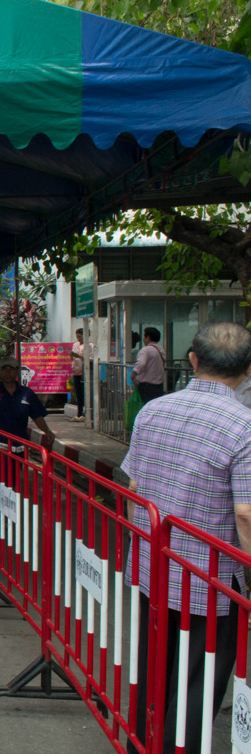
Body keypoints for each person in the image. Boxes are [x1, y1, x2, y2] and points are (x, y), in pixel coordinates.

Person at [124, 322, 251, 754]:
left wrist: (139, 548)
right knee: (200, 674)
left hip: (153, 567)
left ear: (193, 360)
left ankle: (142, 741)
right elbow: (246, 514)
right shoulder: (244, 426)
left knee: (154, 662)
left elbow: (134, 490)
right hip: (209, 580)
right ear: (247, 370)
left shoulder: (153, 411)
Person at [0, 357, 54, 456]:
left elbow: (37, 416)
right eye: (4, 369)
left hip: (20, 447)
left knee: (17, 472)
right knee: (1, 472)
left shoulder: (26, 394)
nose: (7, 372)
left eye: (11, 369)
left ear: (17, 370)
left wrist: (47, 431)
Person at [132, 326, 167, 403]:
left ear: (148, 337)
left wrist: (134, 374)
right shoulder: (161, 350)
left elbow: (141, 363)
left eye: (144, 336)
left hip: (146, 387)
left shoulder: (145, 350)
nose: (144, 339)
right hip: (158, 386)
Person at [70, 329, 91, 422]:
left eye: (80, 336)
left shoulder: (89, 346)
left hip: (85, 372)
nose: (78, 338)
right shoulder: (75, 345)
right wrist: (72, 356)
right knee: (78, 393)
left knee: (85, 393)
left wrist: (78, 356)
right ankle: (79, 413)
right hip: (76, 371)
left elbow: (90, 359)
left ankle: (86, 413)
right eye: (77, 336)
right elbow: (73, 357)